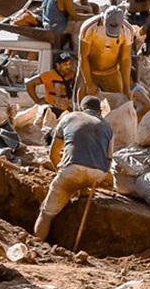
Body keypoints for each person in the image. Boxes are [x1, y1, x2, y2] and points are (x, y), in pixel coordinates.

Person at [33, 96, 114, 241]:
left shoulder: (68, 117)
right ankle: (83, 190)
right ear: (100, 111)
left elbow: (53, 153)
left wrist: (60, 171)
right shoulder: (107, 126)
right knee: (82, 177)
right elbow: (109, 159)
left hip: (72, 170)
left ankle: (37, 244)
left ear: (81, 108)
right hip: (98, 174)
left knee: (46, 213)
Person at [77, 5, 133, 100]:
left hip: (111, 72)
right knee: (83, 105)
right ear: (103, 19)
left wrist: (127, 88)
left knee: (119, 104)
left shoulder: (127, 30)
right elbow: (83, 56)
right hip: (88, 71)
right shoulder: (89, 27)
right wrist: (89, 82)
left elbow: (125, 59)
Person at [26, 51, 77, 116]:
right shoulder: (48, 75)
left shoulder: (72, 74)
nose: (68, 67)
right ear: (58, 65)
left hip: (66, 110)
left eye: (69, 64)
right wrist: (37, 101)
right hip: (51, 109)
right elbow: (29, 84)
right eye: (65, 64)